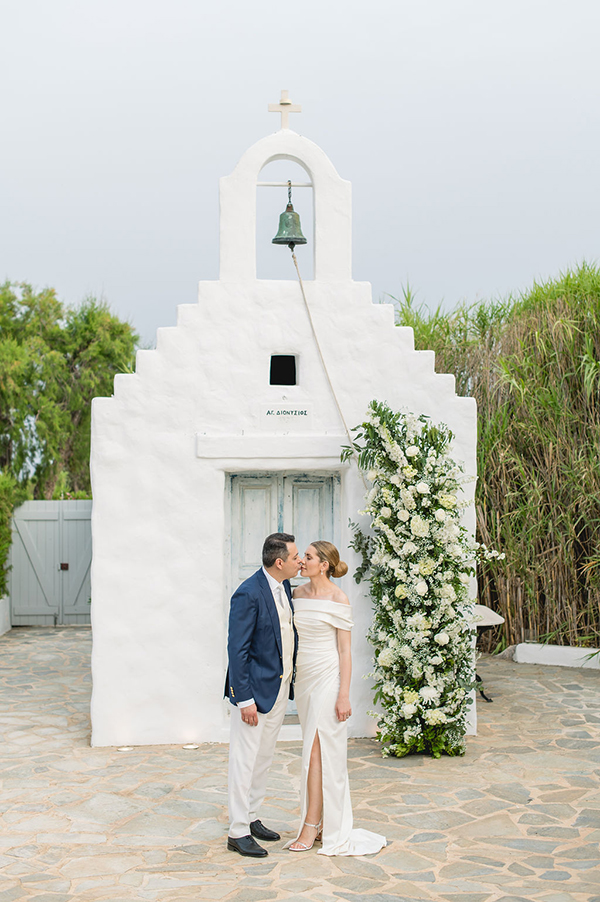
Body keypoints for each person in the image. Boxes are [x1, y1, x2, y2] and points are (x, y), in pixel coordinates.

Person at [287, 541, 387, 856]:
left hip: (329, 679)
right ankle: (318, 821)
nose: (302, 560)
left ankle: (312, 824)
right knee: (311, 749)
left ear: (325, 564)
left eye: (309, 557)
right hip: (304, 679)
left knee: (322, 751)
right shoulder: (297, 595)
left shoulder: (338, 598)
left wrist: (344, 695)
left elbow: (346, 651)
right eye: (302, 556)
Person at [225, 532, 302, 858]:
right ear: (280, 561)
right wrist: (244, 699)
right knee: (244, 761)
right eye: (296, 556)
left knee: (264, 758)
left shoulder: (283, 586)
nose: (300, 561)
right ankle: (237, 831)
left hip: (279, 687)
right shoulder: (247, 594)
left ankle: (252, 815)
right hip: (254, 694)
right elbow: (237, 650)